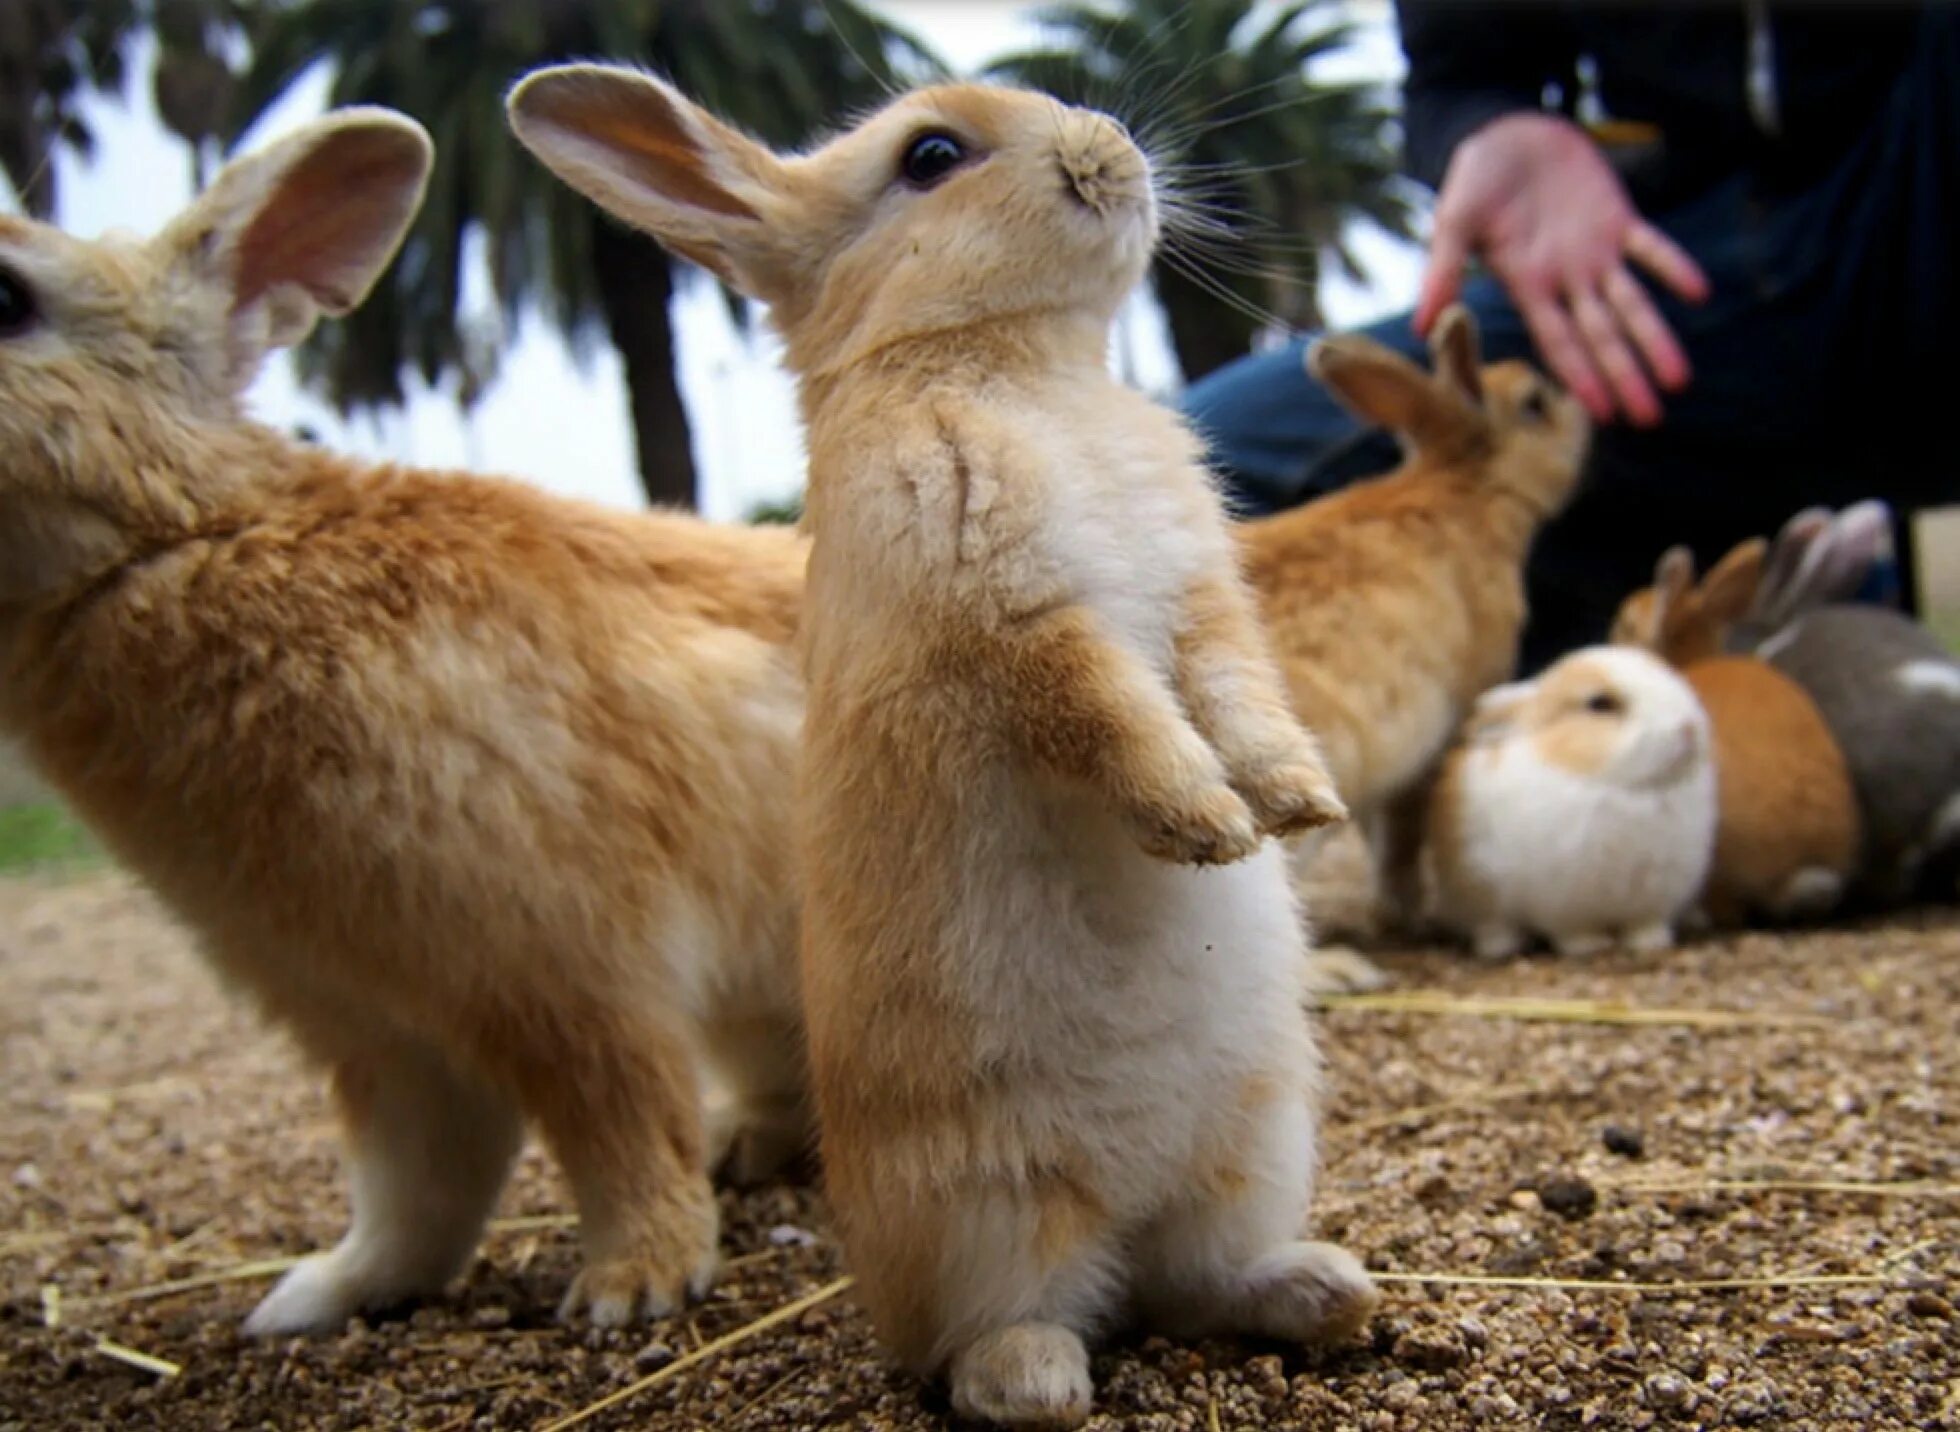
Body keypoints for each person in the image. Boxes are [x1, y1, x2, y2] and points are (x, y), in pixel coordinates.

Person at [1183, 1, 1957, 670]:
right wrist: (1488, 125)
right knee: (1194, 479)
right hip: (1656, 276)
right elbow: (1460, 70)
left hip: (1915, 159)